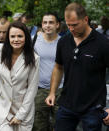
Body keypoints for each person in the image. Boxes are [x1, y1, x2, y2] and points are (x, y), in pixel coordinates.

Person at [45, 2, 109, 131]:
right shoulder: (63, 42)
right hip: (67, 104)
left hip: (93, 107)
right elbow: (58, 67)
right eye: (68, 25)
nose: (71, 29)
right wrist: (52, 93)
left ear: (85, 19)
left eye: (75, 25)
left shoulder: (102, 43)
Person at [0, 21, 40, 131]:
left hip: (22, 108)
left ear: (26, 37)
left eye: (20, 36)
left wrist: (20, 115)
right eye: (12, 36)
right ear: (8, 38)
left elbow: (32, 89)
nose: (16, 39)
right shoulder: (0, 49)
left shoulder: (34, 58)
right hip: (2, 105)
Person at [32, 12, 63, 131]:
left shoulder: (64, 42)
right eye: (45, 22)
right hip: (40, 89)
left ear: (57, 25)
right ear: (41, 24)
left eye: (51, 22)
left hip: (60, 90)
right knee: (38, 126)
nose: (47, 25)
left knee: (60, 124)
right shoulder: (34, 40)